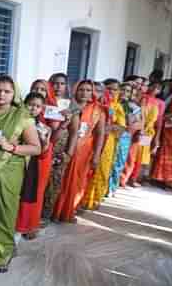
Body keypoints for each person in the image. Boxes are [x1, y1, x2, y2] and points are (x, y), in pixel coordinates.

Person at [0, 75, 41, 273]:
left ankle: (2, 253)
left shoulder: (21, 115)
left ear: (14, 95)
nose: (1, 94)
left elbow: (35, 148)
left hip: (9, 170)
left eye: (7, 91)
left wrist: (10, 146)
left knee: (4, 211)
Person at [52, 80, 105, 223]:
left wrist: (96, 154)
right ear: (75, 90)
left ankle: (68, 211)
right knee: (59, 180)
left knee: (77, 183)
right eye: (81, 89)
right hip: (64, 147)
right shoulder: (66, 105)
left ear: (92, 92)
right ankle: (54, 212)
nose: (84, 93)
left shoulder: (98, 110)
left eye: (88, 90)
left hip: (84, 152)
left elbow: (100, 134)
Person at [15, 92, 52, 240]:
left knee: (26, 196)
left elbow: (43, 150)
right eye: (30, 105)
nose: (33, 109)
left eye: (37, 106)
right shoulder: (17, 121)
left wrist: (43, 141)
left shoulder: (43, 128)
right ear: (24, 104)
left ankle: (22, 229)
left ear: (42, 109)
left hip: (31, 165)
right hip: (16, 162)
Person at [82, 79, 123, 209]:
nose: (110, 91)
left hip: (107, 144)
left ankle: (94, 199)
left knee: (101, 170)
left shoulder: (115, 107)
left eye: (114, 89)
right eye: (108, 88)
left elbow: (122, 128)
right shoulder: (87, 105)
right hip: (86, 142)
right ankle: (81, 200)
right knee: (85, 171)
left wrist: (106, 127)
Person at [41, 73, 74, 222]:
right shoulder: (42, 103)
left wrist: (68, 153)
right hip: (43, 146)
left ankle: (46, 215)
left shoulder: (70, 106)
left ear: (66, 86)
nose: (58, 87)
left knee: (54, 183)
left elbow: (74, 131)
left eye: (61, 84)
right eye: (54, 83)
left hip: (60, 148)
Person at [108, 82, 134, 196]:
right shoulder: (110, 103)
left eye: (128, 91)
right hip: (109, 135)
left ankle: (112, 187)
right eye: (123, 90)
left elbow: (131, 124)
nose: (124, 93)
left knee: (118, 163)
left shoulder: (130, 106)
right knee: (108, 162)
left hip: (123, 138)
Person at [151, 97, 172, 191]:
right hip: (169, 132)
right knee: (165, 154)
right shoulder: (171, 99)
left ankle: (169, 181)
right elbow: (164, 115)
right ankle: (162, 179)